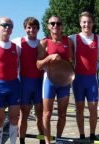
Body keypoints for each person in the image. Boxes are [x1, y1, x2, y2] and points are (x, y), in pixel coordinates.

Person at [37, 16, 74, 144]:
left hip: (64, 82)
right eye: (52, 23)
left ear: (62, 26)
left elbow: (71, 61)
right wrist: (50, 57)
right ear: (48, 26)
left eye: (58, 23)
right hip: (49, 81)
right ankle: (47, 142)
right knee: (47, 114)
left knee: (62, 114)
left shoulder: (68, 41)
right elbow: (38, 65)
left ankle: (58, 139)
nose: (55, 26)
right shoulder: (44, 43)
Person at [69, 11, 99, 142]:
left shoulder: (98, 39)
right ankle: (82, 134)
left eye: (89, 22)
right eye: (84, 22)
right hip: (78, 80)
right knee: (79, 110)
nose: (86, 24)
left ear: (92, 24)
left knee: (93, 110)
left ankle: (92, 134)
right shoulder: (73, 38)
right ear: (80, 23)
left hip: (91, 80)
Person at [14, 17, 44, 144]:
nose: (31, 30)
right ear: (25, 29)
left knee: (40, 115)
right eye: (29, 27)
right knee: (24, 114)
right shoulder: (18, 42)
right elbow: (2, 43)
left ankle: (42, 139)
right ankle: (22, 141)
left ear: (38, 29)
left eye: (34, 27)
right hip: (24, 83)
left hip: (39, 83)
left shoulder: (42, 43)